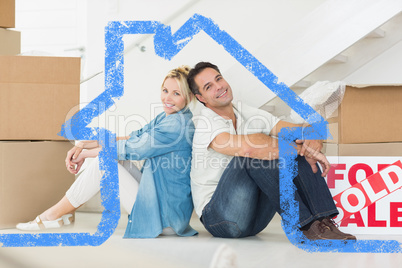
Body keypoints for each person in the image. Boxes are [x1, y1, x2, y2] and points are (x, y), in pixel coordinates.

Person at [17, 66, 198, 238]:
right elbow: (134, 137)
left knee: (105, 162)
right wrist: (85, 144)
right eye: (165, 90)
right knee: (111, 160)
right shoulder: (170, 116)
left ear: (189, 97)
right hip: (162, 202)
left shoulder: (177, 125)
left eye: (176, 93)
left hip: (165, 219)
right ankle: (62, 213)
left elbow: (133, 149)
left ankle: (52, 216)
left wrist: (86, 154)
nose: (167, 98)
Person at [187, 62, 356, 241]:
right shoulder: (205, 124)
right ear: (201, 98)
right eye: (209, 87)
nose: (219, 86)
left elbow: (294, 130)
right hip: (220, 219)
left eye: (218, 79)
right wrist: (300, 149)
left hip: (253, 220)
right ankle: (305, 225)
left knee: (288, 146)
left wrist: (311, 138)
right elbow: (250, 147)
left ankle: (322, 222)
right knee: (258, 154)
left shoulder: (245, 112)